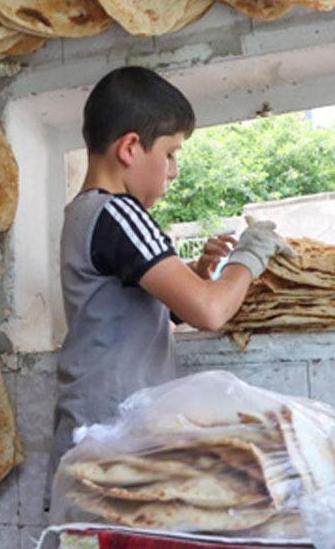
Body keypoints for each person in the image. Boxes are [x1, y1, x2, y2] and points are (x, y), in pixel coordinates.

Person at [46, 66, 294, 512]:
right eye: (172, 154)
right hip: (112, 444)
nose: (175, 171)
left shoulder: (84, 213)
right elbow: (210, 312)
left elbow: (142, 309)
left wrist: (199, 271)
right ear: (129, 147)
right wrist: (252, 256)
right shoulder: (117, 212)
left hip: (100, 440)